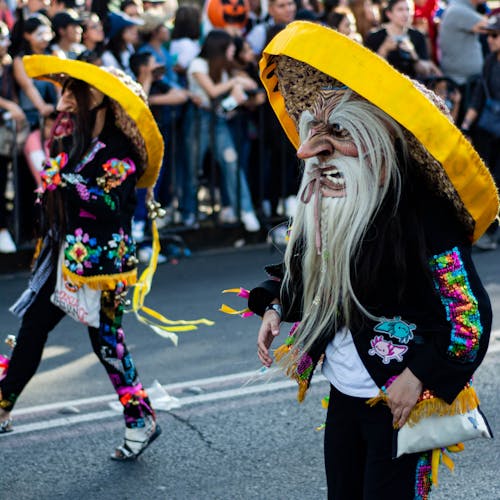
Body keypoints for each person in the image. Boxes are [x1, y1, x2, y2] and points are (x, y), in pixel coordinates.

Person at [249, 21, 498, 499]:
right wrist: (275, 306)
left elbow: (467, 316)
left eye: (337, 131)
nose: (310, 150)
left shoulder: (424, 215)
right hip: (344, 395)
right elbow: (310, 274)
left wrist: (418, 376)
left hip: (399, 395)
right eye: (312, 130)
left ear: (381, 140)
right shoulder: (331, 201)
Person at [0, 55, 164, 461]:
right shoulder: (80, 141)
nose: (66, 100)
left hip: (103, 267)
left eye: (75, 92)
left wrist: (65, 182)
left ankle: (140, 417)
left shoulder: (120, 149)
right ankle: (3, 406)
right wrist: (59, 171)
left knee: (107, 343)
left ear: (100, 99)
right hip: (65, 259)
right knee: (33, 328)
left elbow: (107, 203)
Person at [185, 29, 261, 231]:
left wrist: (235, 89)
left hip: (218, 120)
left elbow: (247, 86)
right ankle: (189, 213)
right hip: (197, 121)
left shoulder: (226, 69)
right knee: (193, 168)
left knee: (231, 162)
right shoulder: (198, 65)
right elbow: (211, 91)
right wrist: (235, 83)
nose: (232, 51)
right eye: (229, 48)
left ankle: (245, 210)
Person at [461, 15, 500, 251]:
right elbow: (478, 97)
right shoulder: (489, 62)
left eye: (495, 36)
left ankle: (491, 230)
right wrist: (465, 126)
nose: (491, 41)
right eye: (489, 36)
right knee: (488, 179)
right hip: (490, 130)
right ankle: (489, 228)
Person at [365, 0, 440, 78]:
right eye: (400, 10)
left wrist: (413, 55)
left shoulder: (418, 36)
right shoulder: (374, 36)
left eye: (408, 9)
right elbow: (367, 68)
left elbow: (425, 71)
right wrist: (384, 50)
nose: (405, 14)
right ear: (389, 14)